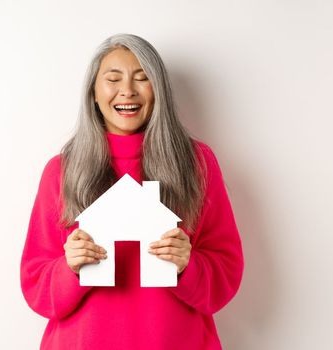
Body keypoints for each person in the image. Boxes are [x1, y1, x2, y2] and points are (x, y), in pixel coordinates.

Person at [20, 33, 244, 349]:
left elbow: (226, 272)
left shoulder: (197, 163)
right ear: (93, 94)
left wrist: (187, 265)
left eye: (143, 78)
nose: (127, 90)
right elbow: (36, 286)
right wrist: (68, 268)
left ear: (159, 91)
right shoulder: (61, 170)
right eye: (113, 79)